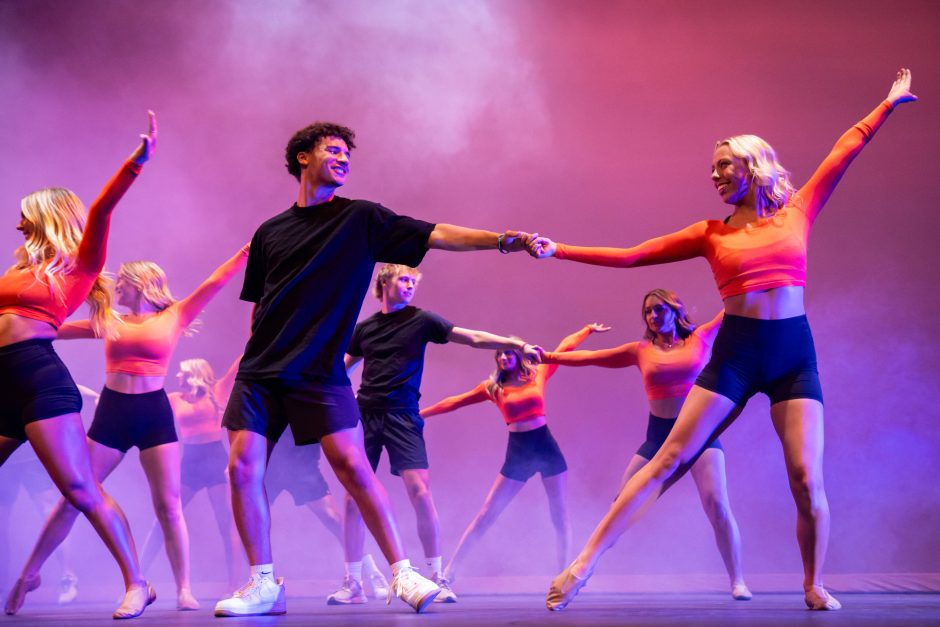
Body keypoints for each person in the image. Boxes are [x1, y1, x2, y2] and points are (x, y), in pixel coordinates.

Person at [526, 70, 917, 611]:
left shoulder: (798, 212)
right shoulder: (710, 234)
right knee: (666, 460)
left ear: (752, 166)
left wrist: (888, 103)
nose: (713, 175)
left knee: (806, 478)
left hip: (792, 356)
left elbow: (844, 149)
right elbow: (632, 255)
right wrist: (559, 250)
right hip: (735, 354)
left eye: (723, 165)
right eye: (711, 169)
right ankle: (583, 563)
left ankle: (813, 583)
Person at [214, 121, 537, 617]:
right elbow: (259, 305)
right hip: (261, 371)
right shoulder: (269, 232)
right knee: (241, 469)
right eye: (333, 149)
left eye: (348, 153)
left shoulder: (361, 219)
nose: (344, 158)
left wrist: (502, 240)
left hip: (319, 370)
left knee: (353, 469)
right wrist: (249, 356)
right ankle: (263, 585)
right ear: (303, 157)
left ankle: (402, 573)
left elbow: (437, 233)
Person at [8, 246, 248, 614]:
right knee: (74, 496)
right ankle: (29, 574)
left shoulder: (176, 316)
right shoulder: (111, 321)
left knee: (169, 507)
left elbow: (216, 281)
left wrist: (249, 250)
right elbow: (47, 329)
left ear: (140, 284)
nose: (116, 289)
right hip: (113, 414)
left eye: (122, 283)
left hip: (154, 415)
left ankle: (184, 588)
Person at [0, 112, 157, 619]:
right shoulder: (22, 266)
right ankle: (30, 574)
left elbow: (102, 209)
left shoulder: (80, 264)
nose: (18, 222)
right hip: (4, 382)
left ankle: (137, 582)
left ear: (46, 215)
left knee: (79, 488)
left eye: (26, 214)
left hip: (40, 382)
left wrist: (136, 164)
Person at [332, 263, 542, 605]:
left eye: (413, 280)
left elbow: (471, 337)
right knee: (353, 497)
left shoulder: (422, 321)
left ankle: (437, 576)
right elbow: (343, 366)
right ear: (384, 282)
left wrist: (515, 343)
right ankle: (353, 583)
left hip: (403, 416)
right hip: (365, 415)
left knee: (420, 491)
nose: (410, 285)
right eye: (404, 279)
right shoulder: (365, 329)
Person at [542, 290, 751, 600]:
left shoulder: (700, 338)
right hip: (658, 437)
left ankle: (738, 581)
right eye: (648, 313)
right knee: (620, 506)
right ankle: (581, 570)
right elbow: (589, 358)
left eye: (658, 309)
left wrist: (753, 280)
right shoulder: (640, 350)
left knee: (717, 505)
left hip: (699, 435)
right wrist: (547, 356)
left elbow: (733, 309)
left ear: (674, 309)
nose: (653, 317)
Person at [420, 324, 603, 581]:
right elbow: (454, 401)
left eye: (508, 353)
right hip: (518, 452)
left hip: (546, 448)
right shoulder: (492, 388)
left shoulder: (538, 374)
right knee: (487, 513)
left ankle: (564, 576)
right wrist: (422, 414)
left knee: (559, 514)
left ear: (518, 355)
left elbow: (565, 347)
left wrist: (587, 330)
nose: (504, 357)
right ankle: (449, 573)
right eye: (499, 355)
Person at [138, 357, 244, 591]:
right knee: (163, 519)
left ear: (193, 374)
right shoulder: (174, 399)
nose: (177, 376)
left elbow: (238, 364)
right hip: (191, 461)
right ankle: (137, 579)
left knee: (226, 524)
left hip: (215, 459)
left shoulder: (217, 391)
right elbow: (143, 402)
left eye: (181, 372)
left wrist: (256, 331)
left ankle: (234, 586)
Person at [0, 385, 98, 607]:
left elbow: (57, 381)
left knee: (49, 509)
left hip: (30, 452)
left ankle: (68, 577)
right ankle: (3, 585)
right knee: (1, 522)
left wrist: (93, 395)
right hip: (7, 452)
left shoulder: (20, 360)